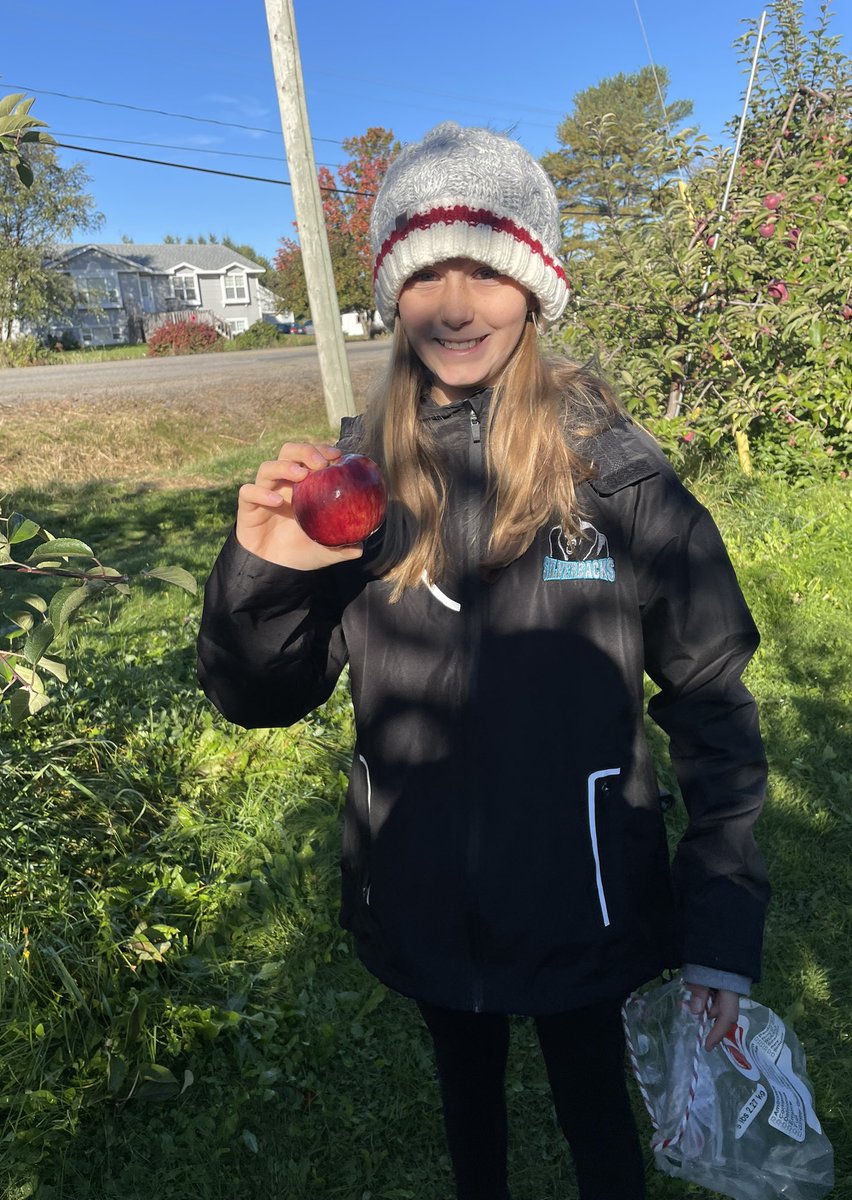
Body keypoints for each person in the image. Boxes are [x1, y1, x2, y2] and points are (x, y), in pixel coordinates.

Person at [197, 122, 770, 1200]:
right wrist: (264, 570)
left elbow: (712, 703)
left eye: (487, 269)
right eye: (426, 275)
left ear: (538, 287)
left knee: (598, 1113)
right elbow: (258, 697)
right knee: (470, 1110)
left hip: (584, 900)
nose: (455, 304)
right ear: (392, 296)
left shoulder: (622, 486)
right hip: (423, 893)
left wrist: (722, 929)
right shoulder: (358, 489)